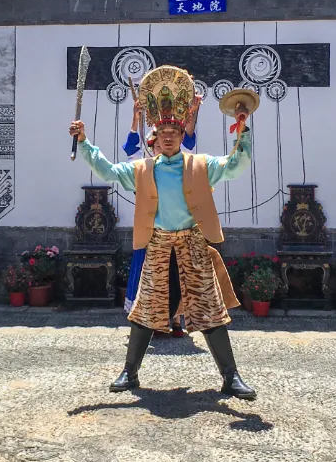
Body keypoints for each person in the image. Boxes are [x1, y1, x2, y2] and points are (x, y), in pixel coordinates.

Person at [71, 66, 255, 399]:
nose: (168, 136)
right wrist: (83, 142)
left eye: (174, 131)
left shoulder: (201, 165)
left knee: (210, 309)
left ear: (182, 136)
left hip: (193, 244)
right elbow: (107, 171)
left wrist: (243, 132)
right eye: (163, 132)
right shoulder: (141, 169)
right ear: (154, 137)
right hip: (157, 245)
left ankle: (231, 377)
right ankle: (129, 373)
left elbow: (236, 166)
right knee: (146, 309)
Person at [122, 95, 201, 337]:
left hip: (176, 229)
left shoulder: (181, 164)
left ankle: (176, 320)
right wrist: (135, 118)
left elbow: (188, 139)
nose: (162, 146)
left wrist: (193, 111)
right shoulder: (143, 168)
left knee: (177, 274)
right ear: (152, 146)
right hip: (150, 230)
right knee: (151, 278)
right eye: (156, 144)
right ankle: (149, 322)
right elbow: (130, 150)